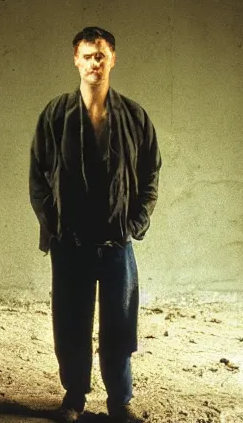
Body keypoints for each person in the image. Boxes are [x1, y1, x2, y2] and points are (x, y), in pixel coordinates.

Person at [29, 26, 161, 422]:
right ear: (75, 60)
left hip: (116, 240)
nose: (94, 63)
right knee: (71, 323)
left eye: (101, 55)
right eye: (87, 56)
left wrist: (136, 221)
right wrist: (53, 225)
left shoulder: (134, 116)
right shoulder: (55, 114)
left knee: (119, 325)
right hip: (71, 241)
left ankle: (120, 401)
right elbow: (38, 175)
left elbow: (150, 171)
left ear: (113, 59)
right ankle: (74, 398)